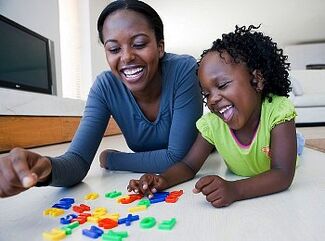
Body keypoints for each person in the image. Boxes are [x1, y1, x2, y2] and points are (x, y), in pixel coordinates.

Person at [0, 0, 202, 198]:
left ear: (159, 47)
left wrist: (113, 159)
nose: (127, 57)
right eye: (114, 49)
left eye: (139, 44)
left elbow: (179, 157)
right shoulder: (105, 87)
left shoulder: (183, 70)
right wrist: (46, 167)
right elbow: (77, 161)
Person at [127, 24, 303, 208]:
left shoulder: (278, 111)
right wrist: (161, 179)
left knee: (295, 146)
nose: (213, 99)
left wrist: (234, 190)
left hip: (281, 150)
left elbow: (282, 174)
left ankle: (297, 141)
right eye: (206, 94)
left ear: (257, 80)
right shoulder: (213, 124)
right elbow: (188, 165)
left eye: (222, 85)